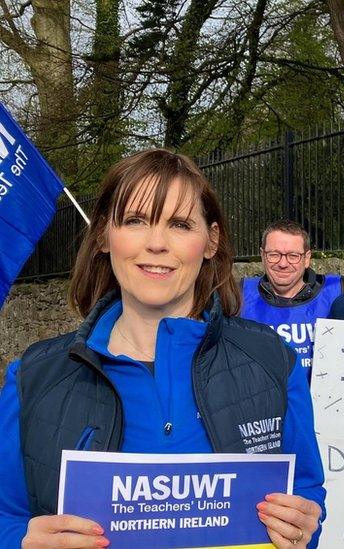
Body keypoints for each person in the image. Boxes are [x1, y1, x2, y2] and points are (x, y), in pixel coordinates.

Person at [0, 150, 325, 548]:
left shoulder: (273, 361)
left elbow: (307, 491)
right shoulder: (33, 377)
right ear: (104, 235)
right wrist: (20, 540)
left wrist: (303, 525)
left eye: (180, 224)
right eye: (135, 221)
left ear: (210, 241)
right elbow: (5, 516)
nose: (156, 243)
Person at [240, 220, 343, 379]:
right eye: (274, 254)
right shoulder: (237, 299)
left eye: (293, 256)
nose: (283, 263)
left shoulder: (336, 298)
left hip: (321, 402)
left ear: (307, 258)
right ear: (262, 255)